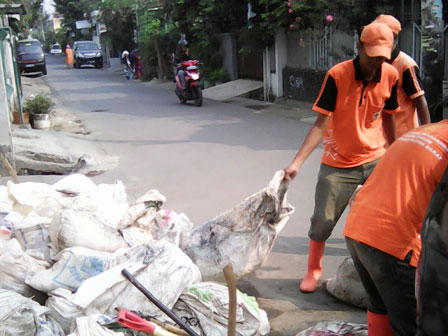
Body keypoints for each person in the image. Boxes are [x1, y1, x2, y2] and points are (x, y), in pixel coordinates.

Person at [283, 22, 399, 293]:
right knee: (323, 219)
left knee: (380, 219)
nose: (377, 64)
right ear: (359, 47)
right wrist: (296, 163)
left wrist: (395, 156)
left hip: (376, 159)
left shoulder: (390, 75)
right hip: (339, 162)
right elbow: (320, 124)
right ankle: (313, 269)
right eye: (373, 57)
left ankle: (371, 273)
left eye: (383, 57)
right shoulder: (338, 75)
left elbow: (389, 119)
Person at [343, 120, 448, 335]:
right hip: (394, 246)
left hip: (358, 230)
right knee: (411, 327)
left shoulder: (427, 131)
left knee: (380, 307)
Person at [373, 14, 431, 137]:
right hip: (378, 136)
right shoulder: (375, 62)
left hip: (402, 136)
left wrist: (427, 133)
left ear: (393, 37)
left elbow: (420, 101)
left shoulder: (405, 65)